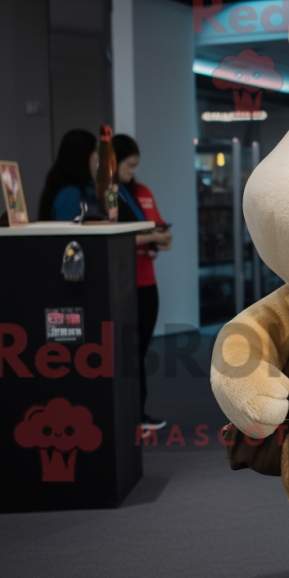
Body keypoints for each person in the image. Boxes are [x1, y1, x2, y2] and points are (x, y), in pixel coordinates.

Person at [112, 134, 173, 430]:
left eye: (135, 166)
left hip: (148, 282)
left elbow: (162, 233)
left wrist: (158, 237)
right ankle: (130, 415)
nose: (132, 171)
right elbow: (115, 239)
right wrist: (152, 237)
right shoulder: (107, 196)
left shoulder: (143, 192)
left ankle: (138, 413)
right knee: (127, 352)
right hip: (122, 284)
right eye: (128, 165)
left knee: (139, 351)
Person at [38, 129, 99, 221]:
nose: (97, 162)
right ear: (84, 157)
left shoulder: (75, 190)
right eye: (95, 154)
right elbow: (69, 228)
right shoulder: (71, 194)